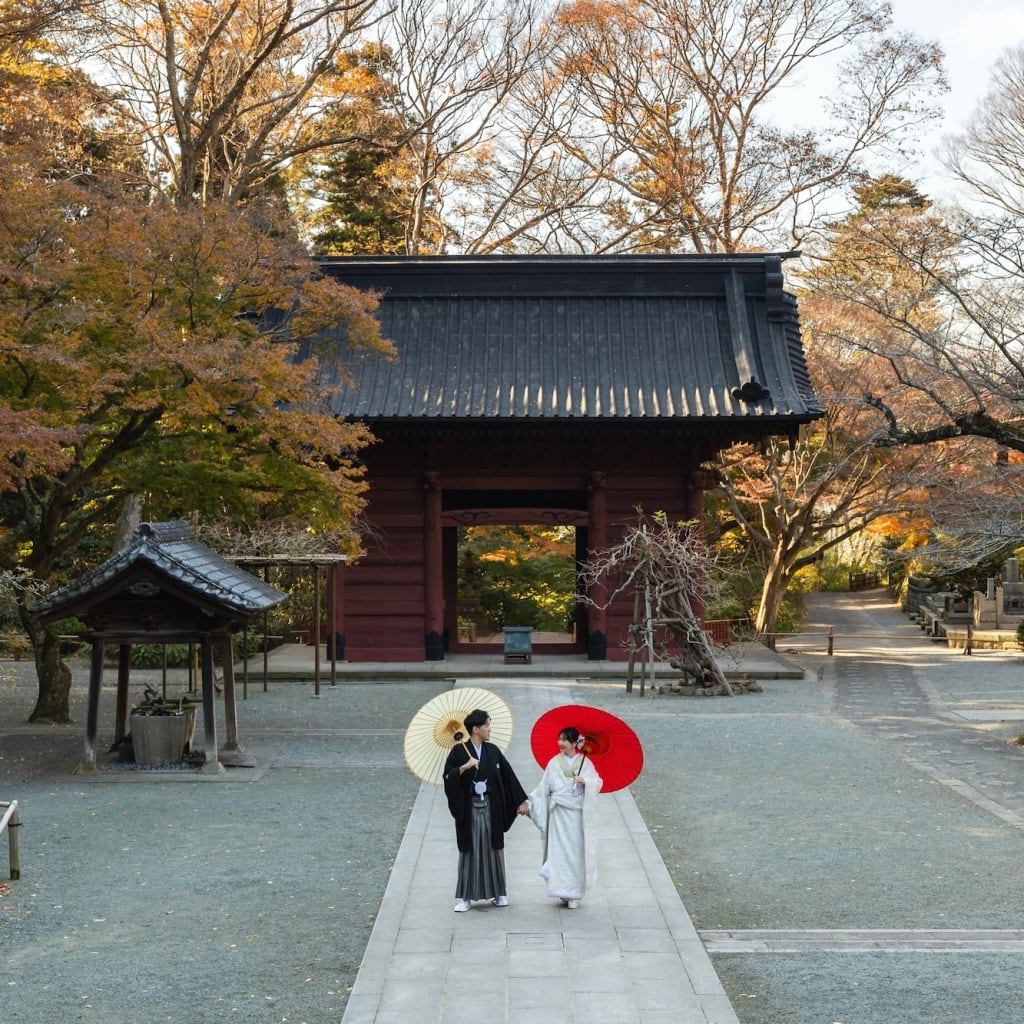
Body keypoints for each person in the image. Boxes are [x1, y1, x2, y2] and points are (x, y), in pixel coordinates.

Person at [443, 708, 529, 912]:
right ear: (475, 729)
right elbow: (448, 777)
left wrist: (520, 801)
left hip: (491, 806)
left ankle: (499, 892)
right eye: (487, 725)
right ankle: (465, 897)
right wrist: (464, 767)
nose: (489, 729)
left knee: (494, 848)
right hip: (470, 806)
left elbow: (508, 776)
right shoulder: (458, 751)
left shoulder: (493, 751)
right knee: (470, 849)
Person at [526, 726, 602, 909]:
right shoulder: (554, 762)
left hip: (576, 815)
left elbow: (597, 782)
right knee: (559, 852)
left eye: (565, 740)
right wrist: (528, 803)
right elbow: (543, 787)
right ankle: (562, 890)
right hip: (559, 814)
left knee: (575, 852)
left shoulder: (586, 763)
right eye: (559, 739)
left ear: (576, 743)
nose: (560, 743)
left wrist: (585, 782)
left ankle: (574, 894)